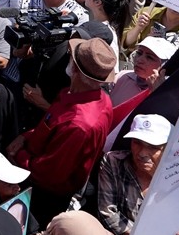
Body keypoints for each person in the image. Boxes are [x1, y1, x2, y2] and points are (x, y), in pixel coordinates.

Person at [8, 38, 115, 225]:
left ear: (75, 70)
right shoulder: (82, 95)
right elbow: (51, 124)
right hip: (35, 164)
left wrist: (19, 155)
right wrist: (26, 136)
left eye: (71, 58)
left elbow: (50, 175)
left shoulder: (80, 125)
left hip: (42, 194)